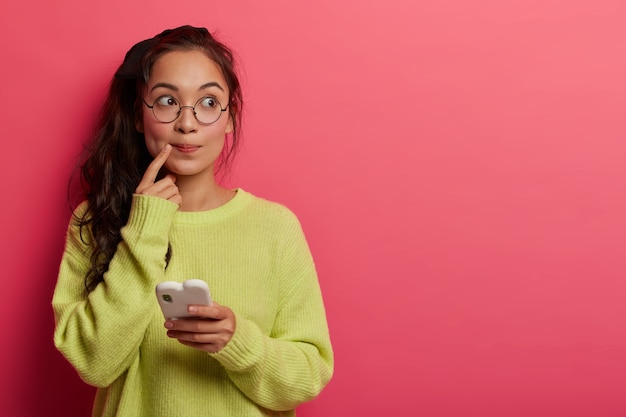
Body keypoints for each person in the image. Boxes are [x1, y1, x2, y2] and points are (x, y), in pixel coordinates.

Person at [52, 25, 334, 417]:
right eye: (167, 100)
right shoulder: (97, 218)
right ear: (139, 116)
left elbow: (308, 375)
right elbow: (94, 363)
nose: (187, 123)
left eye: (208, 102)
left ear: (230, 117)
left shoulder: (275, 227)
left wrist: (237, 341)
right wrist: (145, 231)